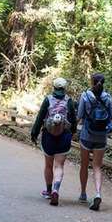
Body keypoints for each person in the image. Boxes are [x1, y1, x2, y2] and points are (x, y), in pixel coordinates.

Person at [30, 78, 77, 206]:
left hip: (48, 136)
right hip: (64, 136)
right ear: (65, 88)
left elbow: (40, 118)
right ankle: (56, 189)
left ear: (54, 87)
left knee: (48, 165)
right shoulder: (69, 101)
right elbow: (73, 120)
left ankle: (49, 191)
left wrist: (34, 133)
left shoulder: (48, 99)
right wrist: (72, 132)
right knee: (59, 166)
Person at [77, 73, 112, 211]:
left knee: (84, 165)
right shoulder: (108, 97)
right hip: (101, 137)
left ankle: (83, 194)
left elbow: (80, 115)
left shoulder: (85, 96)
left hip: (87, 135)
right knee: (97, 166)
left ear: (92, 82)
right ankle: (98, 193)